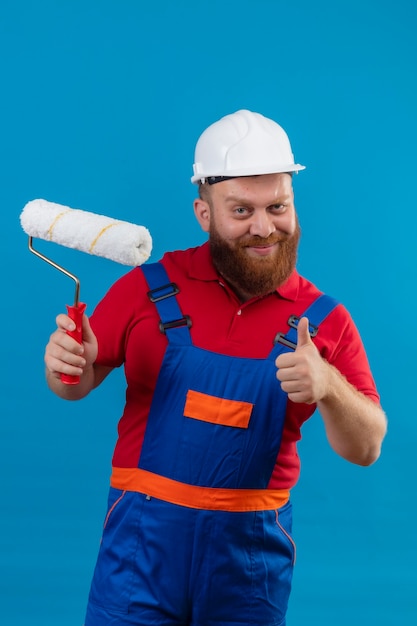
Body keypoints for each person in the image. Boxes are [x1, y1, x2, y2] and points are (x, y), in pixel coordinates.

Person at [44, 109, 387, 626]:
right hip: (141, 547)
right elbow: (73, 386)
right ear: (204, 213)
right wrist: (67, 364)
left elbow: (366, 449)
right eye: (241, 211)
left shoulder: (325, 320)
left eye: (278, 206)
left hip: (247, 559)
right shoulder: (147, 288)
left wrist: (329, 387)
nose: (264, 227)